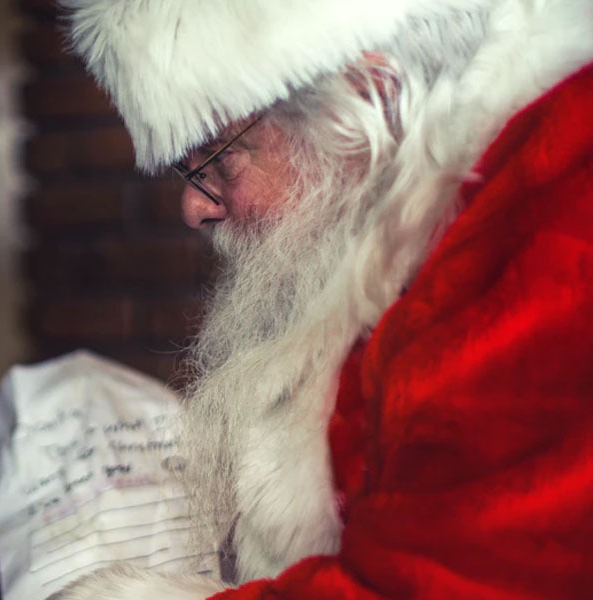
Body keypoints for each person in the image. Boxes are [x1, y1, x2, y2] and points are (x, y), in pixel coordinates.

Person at [49, 0, 593, 597]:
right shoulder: (428, 217)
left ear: (369, 96)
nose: (195, 207)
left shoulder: (554, 219)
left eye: (217, 160)